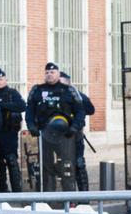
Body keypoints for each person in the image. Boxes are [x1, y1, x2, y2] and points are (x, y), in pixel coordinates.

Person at [26, 63, 86, 191]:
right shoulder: (37, 90)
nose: (49, 74)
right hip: (45, 134)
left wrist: (75, 127)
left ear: (58, 74)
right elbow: (29, 110)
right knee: (46, 166)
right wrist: (31, 126)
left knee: (67, 165)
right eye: (47, 72)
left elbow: (80, 112)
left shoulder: (69, 90)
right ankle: (49, 198)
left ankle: (69, 198)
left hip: (66, 135)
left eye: (52, 72)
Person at [0, 68, 27, 192]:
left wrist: (2, 106)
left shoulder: (12, 93)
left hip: (9, 132)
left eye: (0, 79)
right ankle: (3, 191)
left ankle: (17, 191)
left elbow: (22, 106)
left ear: (5, 80)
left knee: (11, 161)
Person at [60, 71, 94, 191]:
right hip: (57, 137)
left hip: (75, 135)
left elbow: (91, 110)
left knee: (78, 163)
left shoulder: (77, 95)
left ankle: (84, 196)